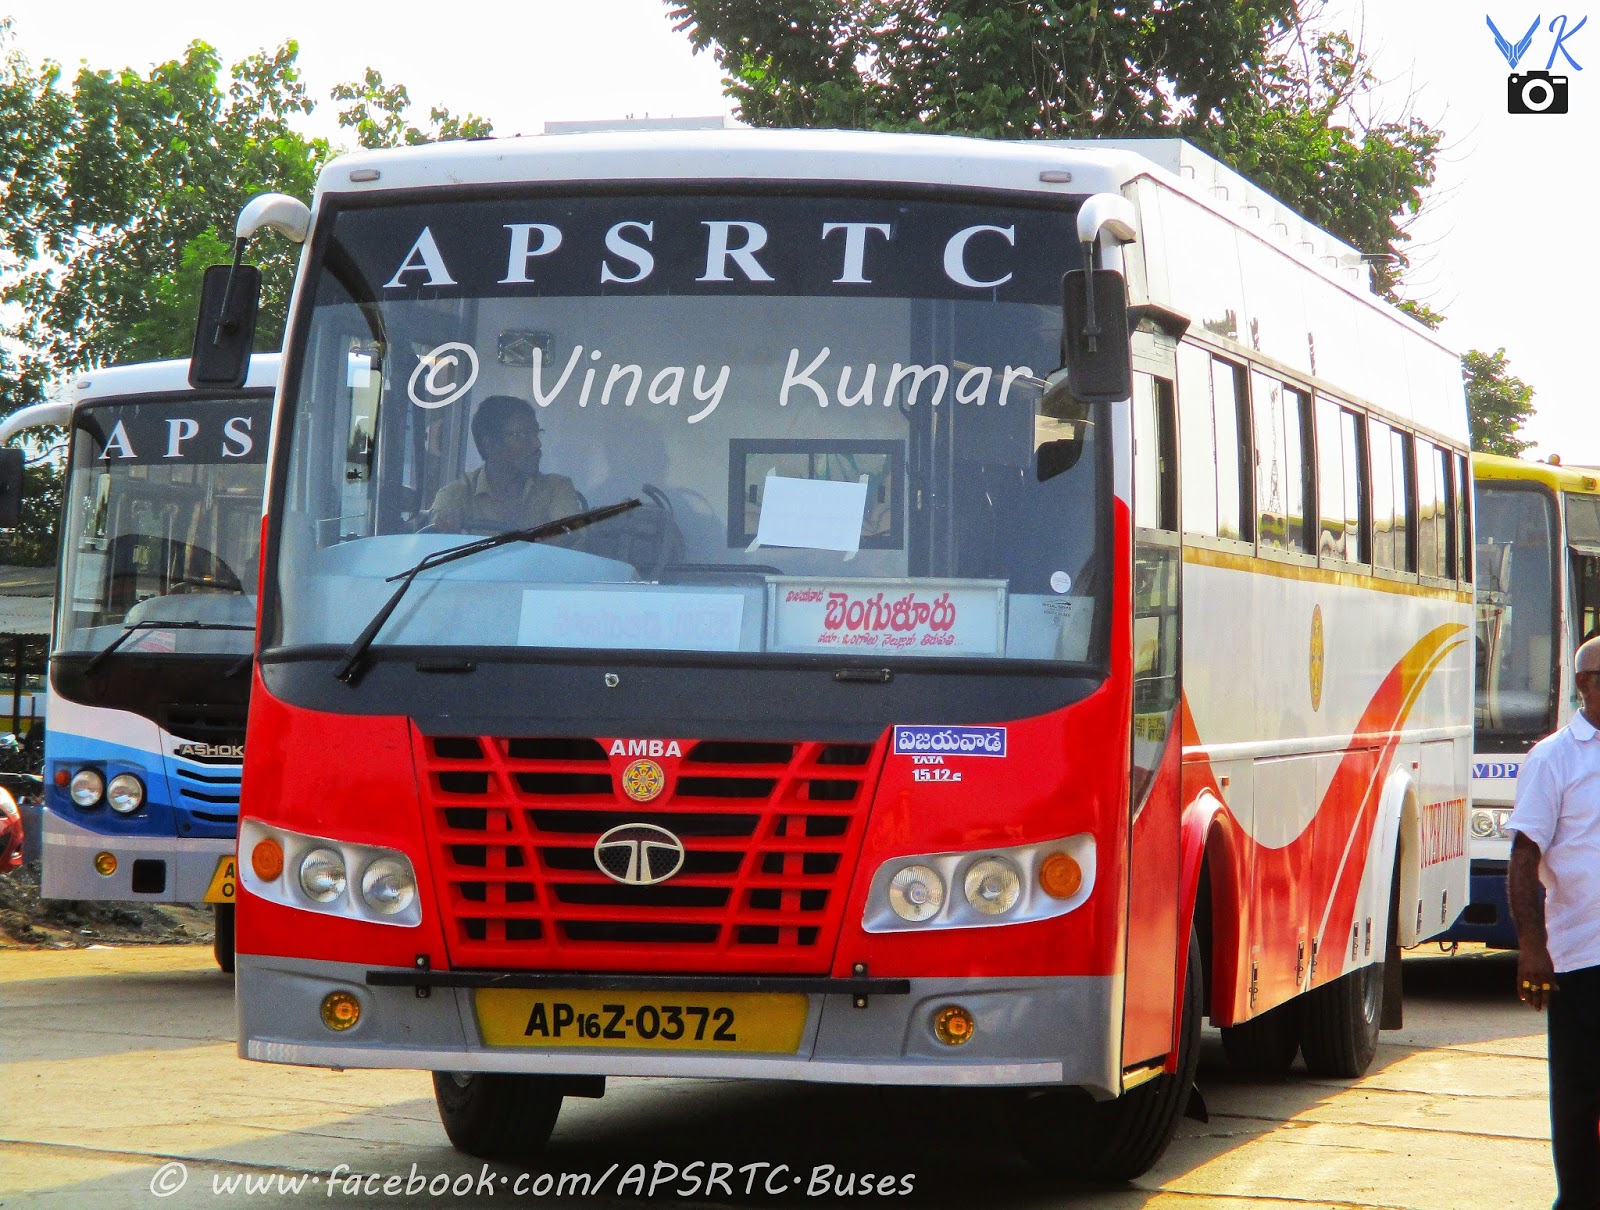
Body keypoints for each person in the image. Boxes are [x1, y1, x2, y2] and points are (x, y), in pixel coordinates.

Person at [1507, 634, 1600, 1209]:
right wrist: (1531, 946)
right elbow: (1523, 858)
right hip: (1581, 959)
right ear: (1587, 684)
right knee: (1578, 1099)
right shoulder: (1554, 758)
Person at [428, 395, 586, 533]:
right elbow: (436, 547)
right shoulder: (456, 495)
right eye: (522, 435)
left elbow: (572, 537)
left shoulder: (557, 487)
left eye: (536, 433)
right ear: (490, 444)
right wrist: (446, 525)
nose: (537, 443)